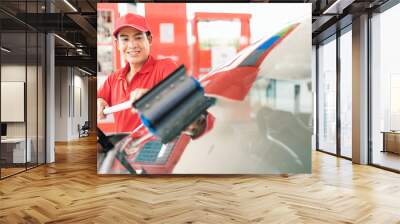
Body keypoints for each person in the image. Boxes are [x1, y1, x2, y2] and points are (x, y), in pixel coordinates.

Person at [97, 13, 213, 139]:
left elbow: (184, 99)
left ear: (149, 39)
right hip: (125, 149)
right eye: (125, 39)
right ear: (118, 44)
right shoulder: (113, 79)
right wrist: (99, 101)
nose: (132, 45)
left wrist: (153, 97)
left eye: (138, 37)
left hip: (155, 149)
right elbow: (95, 100)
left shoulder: (165, 67)